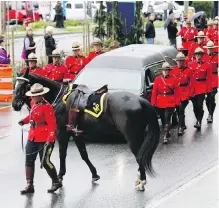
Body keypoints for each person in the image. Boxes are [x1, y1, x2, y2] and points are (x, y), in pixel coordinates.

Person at [18, 83, 62, 194]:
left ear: (40, 95)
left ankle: (56, 182)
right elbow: (32, 116)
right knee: (28, 160)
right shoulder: (33, 103)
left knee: (45, 162)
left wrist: (50, 139)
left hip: (44, 138)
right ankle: (29, 185)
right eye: (31, 95)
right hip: (32, 136)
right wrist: (24, 121)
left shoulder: (47, 107)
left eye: (33, 95)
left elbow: (52, 124)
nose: (31, 97)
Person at [151, 62, 180, 144]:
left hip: (170, 101)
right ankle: (167, 130)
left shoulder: (174, 79)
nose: (165, 71)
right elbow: (154, 92)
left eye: (167, 70)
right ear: (162, 71)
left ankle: (165, 136)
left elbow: (177, 92)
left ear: (169, 71)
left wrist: (177, 102)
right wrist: (153, 102)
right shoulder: (157, 79)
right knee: (163, 118)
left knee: (167, 117)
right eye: (164, 70)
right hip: (160, 101)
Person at [188, 48, 212, 130]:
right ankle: (198, 118)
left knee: (199, 104)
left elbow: (209, 78)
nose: (198, 55)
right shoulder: (190, 64)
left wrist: (209, 91)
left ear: (202, 55)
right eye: (197, 54)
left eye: (200, 54)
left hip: (202, 87)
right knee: (195, 106)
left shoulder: (207, 65)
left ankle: (199, 121)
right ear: (195, 55)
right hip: (192, 87)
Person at [170, 53, 193, 135]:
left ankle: (180, 128)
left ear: (184, 61)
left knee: (181, 109)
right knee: (179, 110)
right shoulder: (173, 70)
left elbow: (192, 82)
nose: (180, 62)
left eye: (181, 61)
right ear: (176, 62)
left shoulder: (188, 70)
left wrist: (190, 94)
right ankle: (182, 124)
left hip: (185, 94)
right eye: (178, 61)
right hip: (176, 94)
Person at [203, 41, 218, 123]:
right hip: (206, 80)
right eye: (208, 49)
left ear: (213, 49)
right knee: (207, 99)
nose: (209, 50)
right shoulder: (203, 57)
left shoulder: (217, 57)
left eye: (211, 49)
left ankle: (210, 114)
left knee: (211, 97)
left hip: (214, 80)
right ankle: (210, 112)